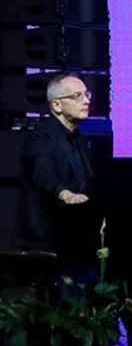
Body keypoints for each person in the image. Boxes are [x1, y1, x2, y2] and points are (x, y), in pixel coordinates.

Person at [14, 74, 98, 276]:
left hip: (75, 232)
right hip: (48, 236)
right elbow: (43, 174)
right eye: (77, 96)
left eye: (86, 95)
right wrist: (65, 193)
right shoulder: (41, 137)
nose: (86, 101)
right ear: (57, 105)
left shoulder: (78, 140)